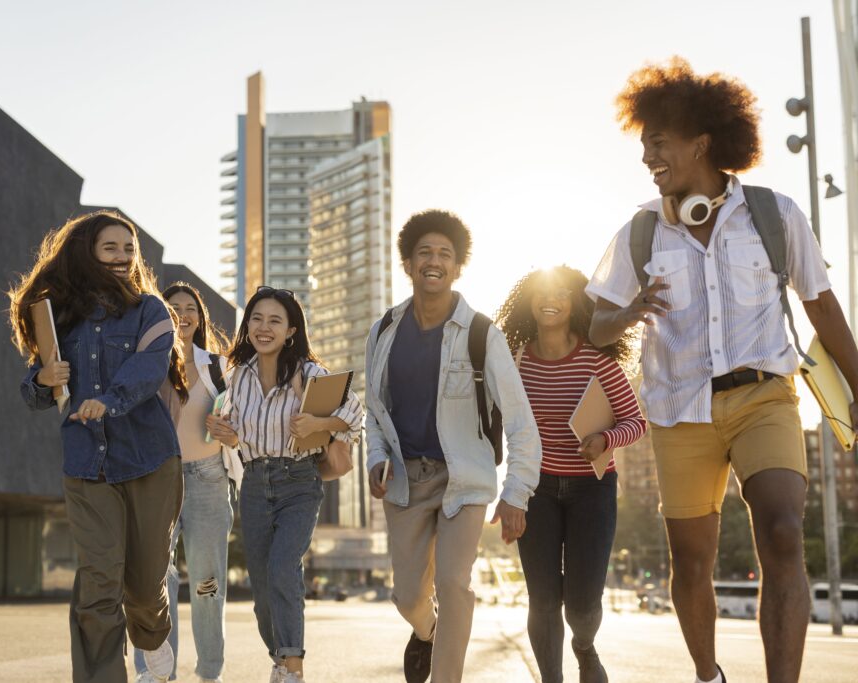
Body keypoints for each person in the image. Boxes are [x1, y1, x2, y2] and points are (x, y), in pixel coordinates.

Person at [587, 58, 858, 683]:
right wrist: (629, 311)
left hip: (765, 397)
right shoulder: (641, 232)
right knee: (690, 559)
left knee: (784, 531)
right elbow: (596, 328)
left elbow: (822, 304)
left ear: (701, 141)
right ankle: (709, 675)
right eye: (644, 144)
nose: (648, 156)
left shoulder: (774, 213)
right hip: (680, 411)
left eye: (658, 141)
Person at [365, 210, 542, 683]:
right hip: (406, 479)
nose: (434, 261)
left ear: (458, 266)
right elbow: (374, 411)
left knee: (453, 583)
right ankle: (426, 632)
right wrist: (376, 458)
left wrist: (516, 492)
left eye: (445, 253)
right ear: (408, 263)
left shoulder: (483, 333)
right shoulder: (384, 331)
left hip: (465, 478)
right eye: (424, 252)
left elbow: (522, 422)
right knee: (408, 597)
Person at [10, 210, 185, 682]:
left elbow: (148, 371)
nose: (123, 258)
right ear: (87, 251)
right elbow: (34, 388)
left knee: (145, 589)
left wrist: (108, 401)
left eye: (129, 250)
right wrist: (44, 379)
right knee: (100, 586)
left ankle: (151, 635)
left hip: (150, 461)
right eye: (111, 248)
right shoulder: (58, 315)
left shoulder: (151, 311)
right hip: (88, 467)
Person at [206, 286, 363, 683]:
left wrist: (319, 424)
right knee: (261, 591)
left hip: (299, 482)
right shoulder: (237, 376)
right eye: (257, 319)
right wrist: (225, 432)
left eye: (275, 320)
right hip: (255, 484)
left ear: (291, 329)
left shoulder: (309, 373)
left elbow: (356, 413)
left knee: (282, 568)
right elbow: (238, 434)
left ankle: (293, 670)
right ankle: (279, 658)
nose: (264, 327)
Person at [496, 266, 645, 683]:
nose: (552, 298)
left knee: (581, 605)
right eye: (545, 291)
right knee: (543, 600)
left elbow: (636, 421)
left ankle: (584, 646)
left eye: (563, 292)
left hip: (592, 489)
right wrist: (507, 492)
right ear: (529, 300)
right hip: (536, 488)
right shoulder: (517, 363)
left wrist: (605, 438)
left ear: (576, 303)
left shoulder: (599, 362)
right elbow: (497, 423)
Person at [132, 282, 233, 683]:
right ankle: (155, 673)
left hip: (208, 480)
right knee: (157, 579)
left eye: (190, 307)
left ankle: (210, 672)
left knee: (208, 583)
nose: (182, 314)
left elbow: (237, 422)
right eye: (172, 307)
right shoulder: (148, 363)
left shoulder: (219, 366)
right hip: (160, 479)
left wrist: (227, 427)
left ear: (200, 316)